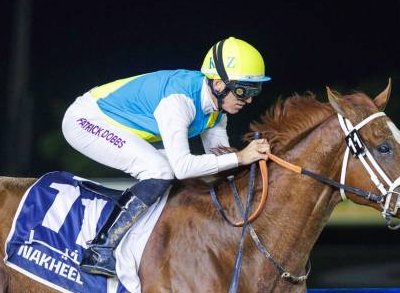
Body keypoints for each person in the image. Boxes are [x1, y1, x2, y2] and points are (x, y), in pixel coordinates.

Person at [61, 37, 272, 277]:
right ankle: (100, 248)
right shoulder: (179, 101)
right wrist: (241, 157)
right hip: (86, 120)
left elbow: (219, 163)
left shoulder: (216, 112)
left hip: (117, 124)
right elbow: (183, 167)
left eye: (256, 90)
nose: (250, 99)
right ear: (218, 84)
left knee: (178, 172)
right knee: (160, 171)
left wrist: (251, 158)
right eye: (244, 90)